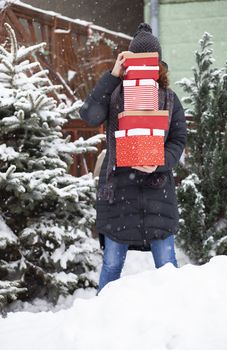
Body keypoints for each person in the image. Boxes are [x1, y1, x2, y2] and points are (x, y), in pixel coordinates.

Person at [79, 23, 187, 293]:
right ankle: (99, 320)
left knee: (167, 267)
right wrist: (113, 76)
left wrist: (159, 161)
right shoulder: (115, 95)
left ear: (159, 65)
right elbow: (89, 115)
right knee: (112, 266)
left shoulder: (170, 99)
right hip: (118, 194)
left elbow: (178, 140)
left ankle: (175, 317)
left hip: (158, 194)